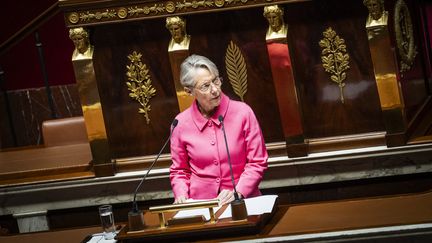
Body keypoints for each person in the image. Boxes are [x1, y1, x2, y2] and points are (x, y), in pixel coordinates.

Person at [170, 55, 268, 205]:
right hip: (201, 206)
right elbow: (180, 171)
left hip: (243, 202)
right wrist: (181, 195)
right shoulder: (180, 124)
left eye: (216, 80)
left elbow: (257, 162)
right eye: (205, 86)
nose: (215, 90)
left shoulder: (243, 112)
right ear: (189, 91)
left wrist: (239, 192)